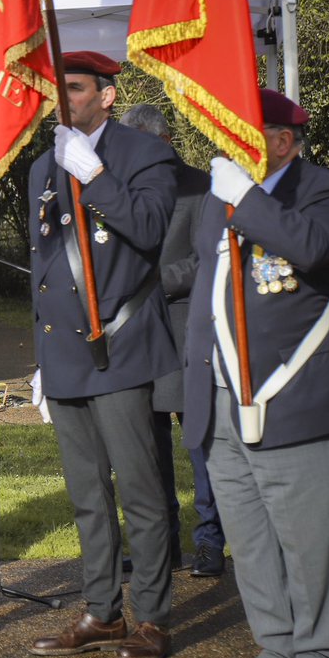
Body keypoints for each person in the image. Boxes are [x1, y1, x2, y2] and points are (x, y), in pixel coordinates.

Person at [27, 52, 179, 658]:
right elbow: (43, 266)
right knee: (88, 496)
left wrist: (95, 175)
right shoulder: (42, 166)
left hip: (120, 347)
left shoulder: (144, 154)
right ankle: (102, 611)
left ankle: (153, 617)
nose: (63, 99)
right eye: (57, 89)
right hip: (66, 354)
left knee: (141, 492)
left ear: (107, 95)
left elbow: (149, 228)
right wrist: (42, 355)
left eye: (75, 88)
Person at [183, 90, 329, 658]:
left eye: (241, 133)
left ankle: (319, 654)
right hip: (218, 392)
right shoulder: (219, 194)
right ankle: (275, 644)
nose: (227, 145)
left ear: (283, 140)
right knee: (248, 534)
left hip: (285, 395)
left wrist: (247, 199)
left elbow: (313, 249)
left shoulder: (317, 189)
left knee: (306, 537)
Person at [120, 103, 224, 578]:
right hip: (135, 337)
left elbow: (210, 259)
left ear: (161, 141)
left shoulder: (201, 187)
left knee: (200, 444)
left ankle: (210, 541)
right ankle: (161, 545)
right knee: (147, 448)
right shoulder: (122, 189)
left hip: (185, 332)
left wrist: (154, 283)